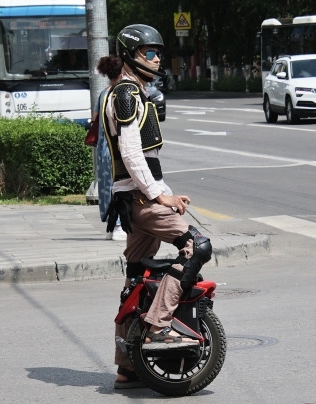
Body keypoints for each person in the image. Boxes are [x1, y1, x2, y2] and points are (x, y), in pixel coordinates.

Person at [103, 24, 212, 389]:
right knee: (198, 246)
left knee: (135, 276)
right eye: (150, 52)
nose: (157, 57)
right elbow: (132, 153)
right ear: (132, 54)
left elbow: (141, 159)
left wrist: (165, 190)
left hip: (130, 198)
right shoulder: (128, 94)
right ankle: (158, 326)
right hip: (141, 199)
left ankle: (127, 367)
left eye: (159, 52)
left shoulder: (124, 90)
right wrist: (158, 195)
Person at [93, 55, 127, 241]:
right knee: (121, 185)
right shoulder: (119, 94)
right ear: (122, 72)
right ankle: (119, 226)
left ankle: (111, 225)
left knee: (107, 186)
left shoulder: (103, 93)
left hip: (102, 149)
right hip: (116, 148)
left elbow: (94, 119)